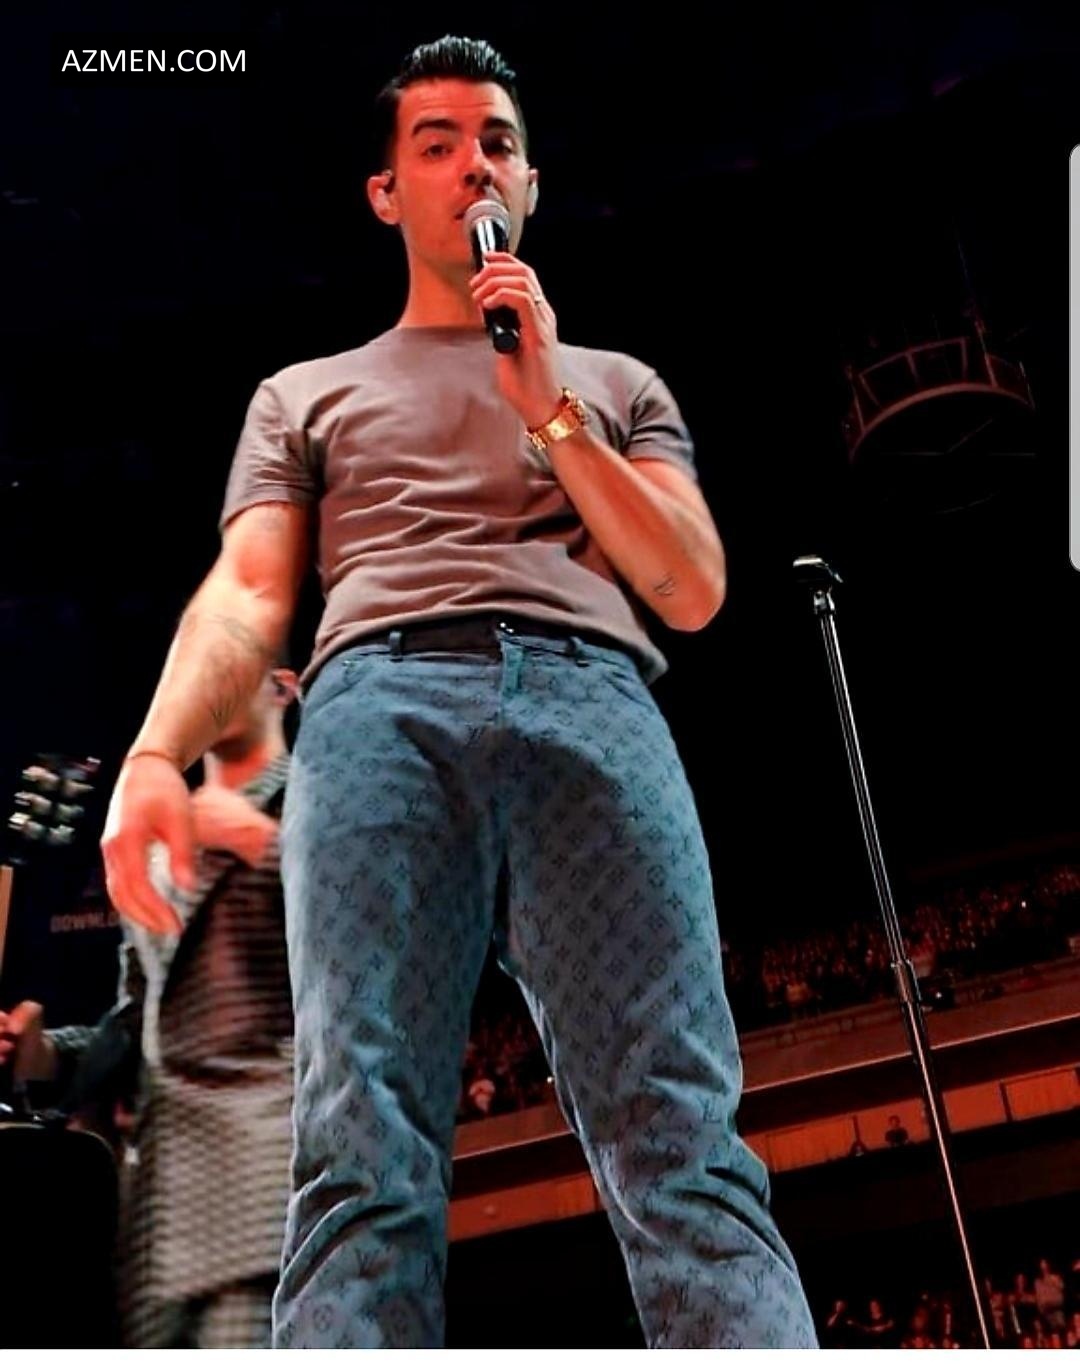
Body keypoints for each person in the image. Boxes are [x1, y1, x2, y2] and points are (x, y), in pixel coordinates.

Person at [99, 35, 817, 1348]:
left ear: (529, 184)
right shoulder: (306, 394)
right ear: (387, 191)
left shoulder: (616, 385)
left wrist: (548, 405)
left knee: (682, 1139)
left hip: (595, 699)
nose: (472, 164)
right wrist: (156, 751)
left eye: (496, 143)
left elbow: (691, 585)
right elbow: (250, 592)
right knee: (358, 1150)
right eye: (437, 144)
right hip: (378, 703)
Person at [2, 666, 296, 1347]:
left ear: (282, 687)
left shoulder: (320, 801)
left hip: (275, 1176)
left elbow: (371, 950)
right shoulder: (158, 850)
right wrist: (44, 1054)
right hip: (159, 1211)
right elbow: (136, 1023)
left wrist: (266, 845)